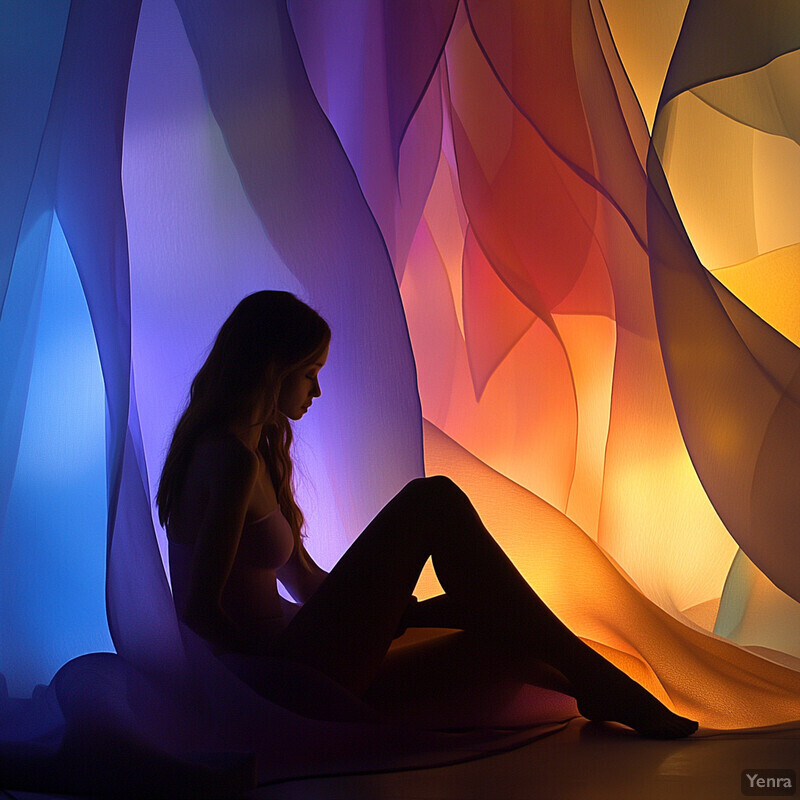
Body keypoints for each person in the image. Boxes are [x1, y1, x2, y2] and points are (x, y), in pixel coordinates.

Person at [157, 290, 698, 739]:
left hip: (299, 652)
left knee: (498, 636)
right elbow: (200, 610)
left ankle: (576, 669)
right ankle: (596, 679)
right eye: (308, 374)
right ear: (270, 370)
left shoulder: (251, 453)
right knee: (431, 499)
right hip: (283, 672)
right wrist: (277, 677)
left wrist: (391, 608)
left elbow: (302, 581)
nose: (317, 390)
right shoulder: (227, 460)